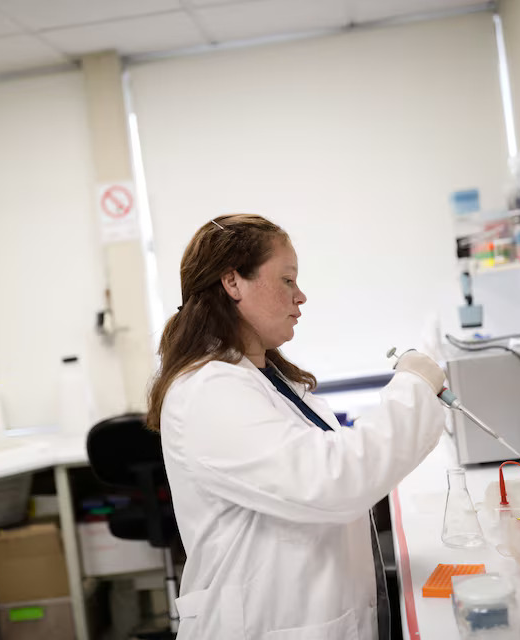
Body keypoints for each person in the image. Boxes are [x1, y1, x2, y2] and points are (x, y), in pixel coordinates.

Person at [147, 214, 448, 640]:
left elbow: (326, 453)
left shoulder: (265, 377)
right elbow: (331, 480)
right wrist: (413, 387)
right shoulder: (207, 391)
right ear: (233, 283)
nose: (300, 296)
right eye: (287, 280)